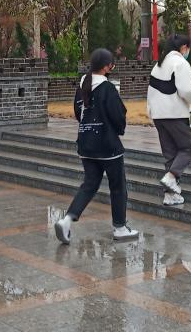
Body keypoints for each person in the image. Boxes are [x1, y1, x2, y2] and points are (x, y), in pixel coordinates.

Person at [53, 48, 139, 243]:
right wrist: (118, 130)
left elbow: (78, 113)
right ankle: (120, 228)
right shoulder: (107, 88)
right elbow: (118, 116)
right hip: (107, 146)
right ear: (107, 67)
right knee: (118, 186)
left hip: (86, 144)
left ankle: (67, 220)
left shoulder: (83, 85)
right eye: (112, 64)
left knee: (90, 184)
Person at [147, 34, 191, 206]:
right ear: (184, 47)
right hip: (175, 114)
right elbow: (186, 90)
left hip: (159, 115)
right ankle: (171, 176)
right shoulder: (180, 63)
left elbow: (151, 92)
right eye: (188, 48)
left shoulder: (158, 65)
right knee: (188, 148)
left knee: (170, 155)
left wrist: (151, 112)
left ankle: (170, 195)